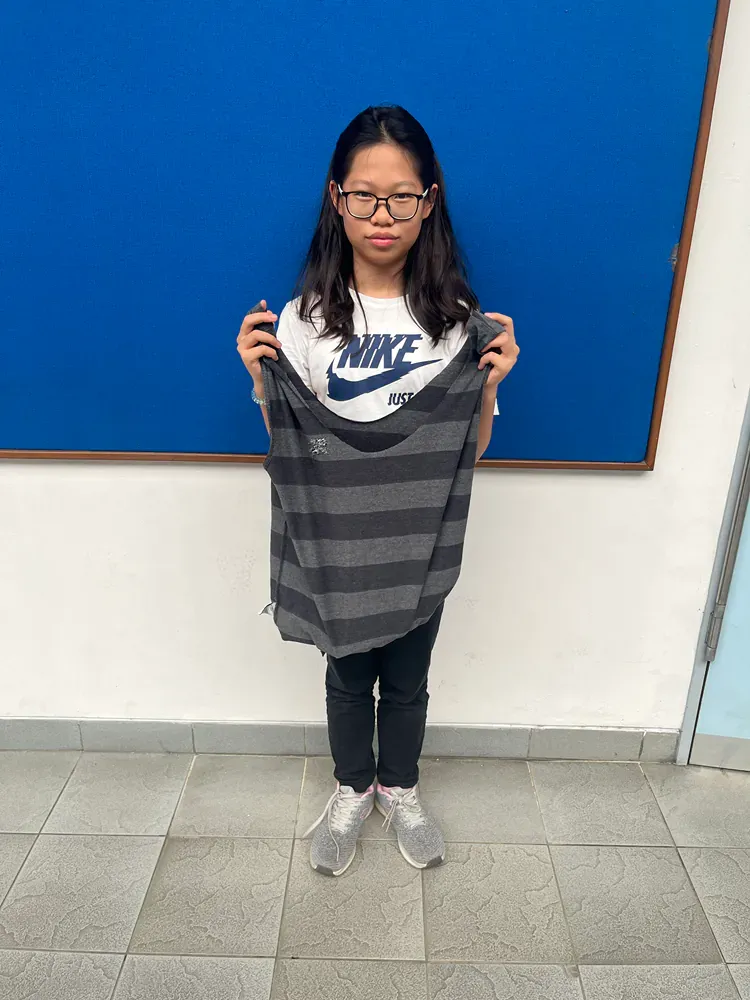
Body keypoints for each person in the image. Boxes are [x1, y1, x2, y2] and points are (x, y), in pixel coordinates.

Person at [237, 105, 519, 877]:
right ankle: (352, 786)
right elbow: (293, 448)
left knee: (408, 679)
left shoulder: (459, 325)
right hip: (337, 542)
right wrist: (258, 375)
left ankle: (400, 784)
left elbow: (472, 447)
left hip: (418, 537)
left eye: (402, 196)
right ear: (337, 198)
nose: (382, 216)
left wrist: (489, 386)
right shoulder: (304, 320)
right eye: (364, 195)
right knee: (345, 676)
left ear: (429, 201)